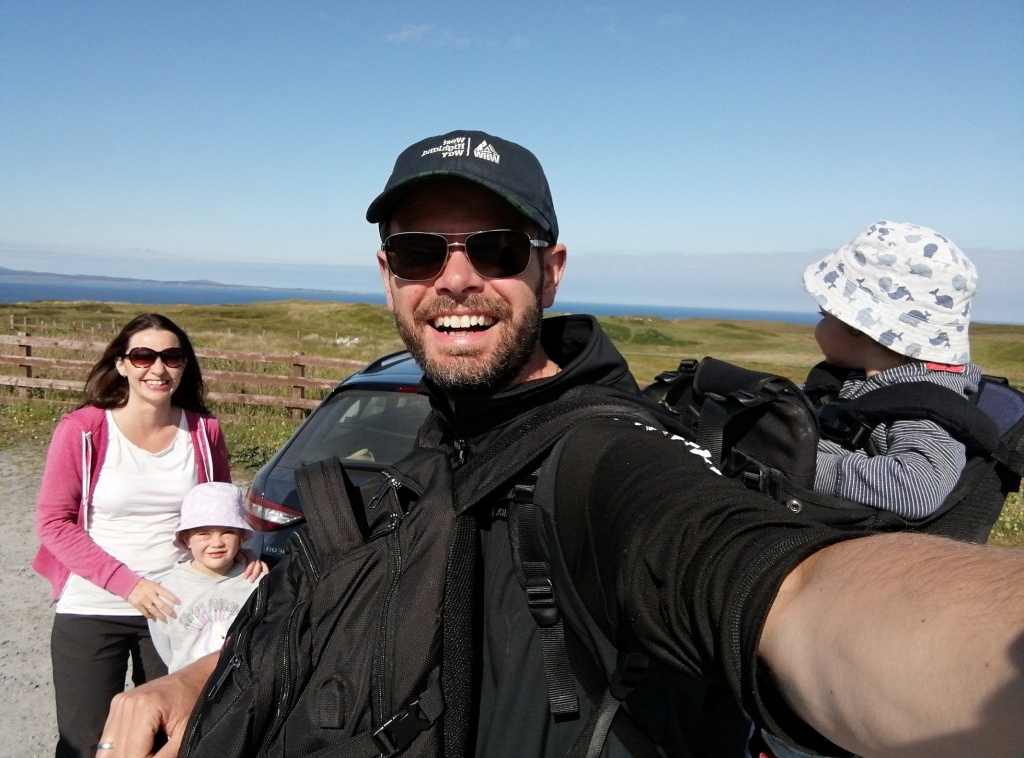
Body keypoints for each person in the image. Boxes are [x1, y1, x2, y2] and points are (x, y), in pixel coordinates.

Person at [99, 131, 1024, 758]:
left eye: (496, 247)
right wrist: (200, 682)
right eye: (421, 251)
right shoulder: (438, 443)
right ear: (388, 275)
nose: (456, 279)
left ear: (551, 266)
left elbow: (790, 592)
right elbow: (365, 597)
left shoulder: (610, 457)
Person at [33, 313, 235, 758]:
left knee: (170, 735)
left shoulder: (203, 432)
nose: (157, 368)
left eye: (171, 356)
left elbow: (217, 511)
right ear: (122, 364)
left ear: (184, 366)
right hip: (91, 606)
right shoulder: (83, 430)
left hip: (175, 607)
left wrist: (245, 556)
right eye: (143, 355)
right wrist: (129, 584)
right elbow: (53, 522)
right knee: (85, 743)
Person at [803, 220, 982, 519]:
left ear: (858, 325)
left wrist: (798, 464)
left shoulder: (923, 405)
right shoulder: (860, 379)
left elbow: (918, 488)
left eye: (824, 314)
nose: (818, 324)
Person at [148, 482, 262, 674]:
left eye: (227, 532)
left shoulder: (256, 582)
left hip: (241, 691)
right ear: (186, 539)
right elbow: (165, 647)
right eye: (204, 534)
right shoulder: (168, 590)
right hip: (187, 692)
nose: (216, 542)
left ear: (241, 536)